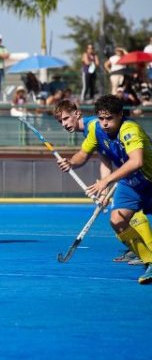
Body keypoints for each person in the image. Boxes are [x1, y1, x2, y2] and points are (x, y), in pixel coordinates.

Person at [56, 95, 152, 284]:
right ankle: (149, 260)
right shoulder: (95, 129)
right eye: (101, 118)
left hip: (149, 178)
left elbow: (136, 161)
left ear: (120, 115)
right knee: (117, 220)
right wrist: (70, 162)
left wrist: (105, 181)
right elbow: (83, 154)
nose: (105, 123)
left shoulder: (129, 129)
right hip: (131, 181)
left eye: (109, 118)